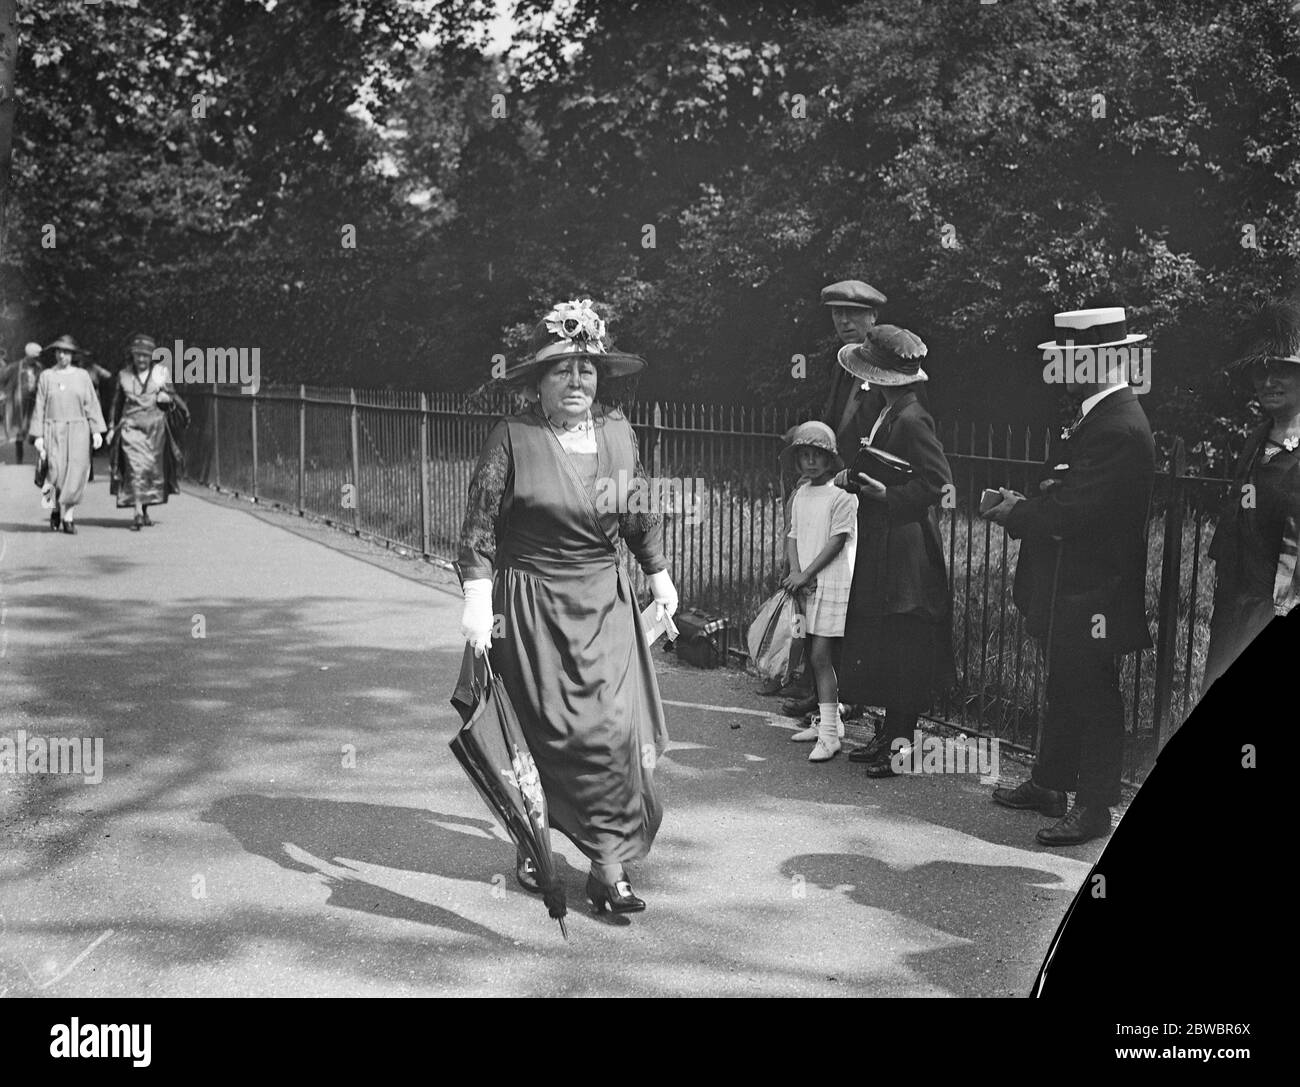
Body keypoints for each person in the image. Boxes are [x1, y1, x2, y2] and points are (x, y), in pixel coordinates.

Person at [456, 299, 679, 915]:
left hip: (605, 604)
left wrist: (658, 576)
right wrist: (478, 598)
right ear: (539, 381)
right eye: (561, 370)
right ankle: (535, 838)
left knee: (611, 733)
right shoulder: (513, 436)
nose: (576, 381)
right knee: (546, 736)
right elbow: (479, 528)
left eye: (586, 369)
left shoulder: (618, 433)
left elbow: (637, 513)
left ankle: (608, 869)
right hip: (530, 609)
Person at [985, 306, 1155, 846]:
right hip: (1073, 583)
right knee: (1066, 685)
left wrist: (1016, 512)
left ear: (1106, 360)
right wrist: (1032, 503)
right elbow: (1068, 497)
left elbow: (1074, 513)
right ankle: (1050, 784)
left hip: (1094, 590)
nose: (1063, 369)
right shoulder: (1097, 415)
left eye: (1073, 359)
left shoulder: (1119, 426)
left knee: (1095, 696)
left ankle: (1095, 809)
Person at [833, 325, 955, 777]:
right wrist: (856, 479)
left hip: (907, 548)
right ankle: (889, 734)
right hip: (885, 541)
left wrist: (889, 496)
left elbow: (938, 481)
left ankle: (903, 745)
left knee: (905, 643)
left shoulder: (912, 416)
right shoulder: (890, 411)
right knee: (887, 640)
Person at [776, 279, 887, 713]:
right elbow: (832, 429)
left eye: (854, 314)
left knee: (852, 594)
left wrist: (854, 479)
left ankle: (847, 693)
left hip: (864, 499)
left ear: (873, 318)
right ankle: (820, 689)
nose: (844, 322)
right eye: (838, 314)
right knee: (819, 588)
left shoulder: (884, 367)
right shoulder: (843, 364)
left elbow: (884, 442)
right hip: (832, 492)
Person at [1203, 298, 1300, 691]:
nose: (1268, 381)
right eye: (1261, 371)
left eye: (1282, 371)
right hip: (1234, 612)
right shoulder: (1254, 442)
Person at [779, 422, 858, 761]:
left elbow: (837, 541)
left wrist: (808, 573)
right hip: (805, 583)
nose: (810, 463)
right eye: (804, 456)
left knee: (821, 657)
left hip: (829, 582)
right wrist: (796, 573)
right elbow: (793, 535)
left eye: (818, 457)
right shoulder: (800, 495)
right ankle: (825, 722)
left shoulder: (843, 497)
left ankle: (830, 735)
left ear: (831, 460)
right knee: (812, 654)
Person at [107, 333, 186, 530]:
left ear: (151, 356)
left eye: (145, 355)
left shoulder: (160, 373)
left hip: (155, 430)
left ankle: (145, 509)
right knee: (135, 469)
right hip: (131, 427)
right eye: (137, 355)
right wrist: (110, 427)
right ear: (131, 356)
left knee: (151, 471)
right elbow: (117, 404)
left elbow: (172, 398)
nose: (141, 359)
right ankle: (138, 513)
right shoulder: (124, 375)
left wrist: (167, 398)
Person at [29, 335, 106, 534]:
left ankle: (68, 516)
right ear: (54, 353)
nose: (62, 355)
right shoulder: (47, 376)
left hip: (78, 430)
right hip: (53, 429)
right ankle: (52, 510)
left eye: (67, 352)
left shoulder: (82, 376)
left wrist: (96, 430)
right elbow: (39, 405)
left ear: (73, 355)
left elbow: (91, 403)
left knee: (76, 474)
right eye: (59, 351)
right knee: (52, 473)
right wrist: (38, 436)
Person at [3, 343, 43, 465]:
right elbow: (3, 377)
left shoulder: (40, 368)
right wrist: (6, 392)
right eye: (35, 357)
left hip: (35, 404)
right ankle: (19, 460)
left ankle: (40, 459)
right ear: (28, 356)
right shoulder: (16, 367)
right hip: (20, 404)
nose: (36, 359)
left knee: (37, 431)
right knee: (19, 432)